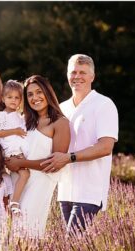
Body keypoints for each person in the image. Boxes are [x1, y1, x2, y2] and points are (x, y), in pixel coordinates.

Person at [39, 54, 119, 233]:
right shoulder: (62, 108)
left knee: (72, 244)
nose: (77, 76)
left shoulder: (104, 105)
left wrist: (69, 158)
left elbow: (106, 147)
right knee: (76, 250)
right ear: (67, 75)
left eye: (83, 72)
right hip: (65, 190)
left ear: (92, 76)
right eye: (73, 72)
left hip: (90, 191)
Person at [5, 75, 71, 238]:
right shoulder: (23, 121)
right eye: (30, 94)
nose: (35, 98)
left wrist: (21, 163)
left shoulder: (60, 122)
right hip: (16, 181)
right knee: (9, 234)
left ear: (48, 92)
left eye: (39, 92)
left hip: (40, 183)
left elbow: (55, 163)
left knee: (27, 232)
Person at [0, 80, 30, 214]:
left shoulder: (19, 116)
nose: (13, 100)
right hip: (11, 152)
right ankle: (14, 202)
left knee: (23, 175)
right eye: (10, 97)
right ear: (3, 98)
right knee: (25, 174)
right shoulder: (1, 115)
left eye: (17, 97)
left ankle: (13, 202)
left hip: (19, 150)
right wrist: (15, 131)